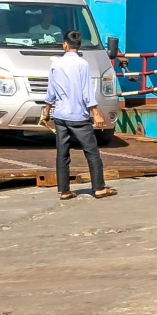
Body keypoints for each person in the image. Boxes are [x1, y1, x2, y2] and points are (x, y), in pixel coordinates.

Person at [46, 32, 113, 200]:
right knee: (91, 152)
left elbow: (50, 92)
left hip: (60, 115)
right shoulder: (82, 64)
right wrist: (96, 113)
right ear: (79, 46)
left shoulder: (55, 65)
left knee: (62, 153)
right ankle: (98, 188)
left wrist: (46, 113)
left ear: (65, 45)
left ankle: (64, 191)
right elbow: (87, 92)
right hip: (78, 116)